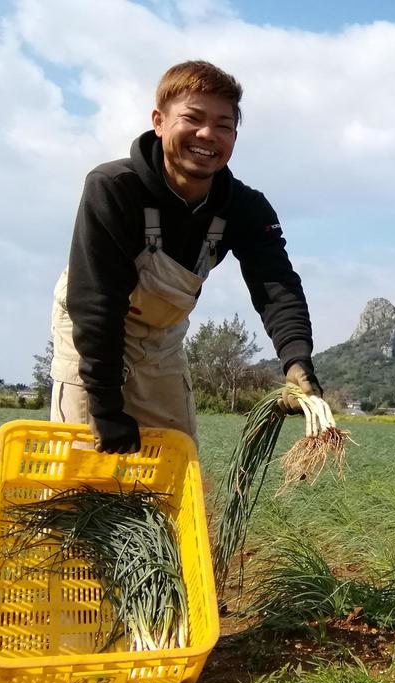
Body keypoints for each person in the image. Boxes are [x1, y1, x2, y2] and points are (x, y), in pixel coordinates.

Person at [50, 60, 323, 454]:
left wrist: (297, 360)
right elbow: (96, 304)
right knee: (85, 463)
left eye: (223, 125)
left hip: (161, 340)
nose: (207, 134)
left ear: (234, 136)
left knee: (175, 458)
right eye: (192, 118)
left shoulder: (245, 208)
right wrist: (106, 409)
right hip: (90, 335)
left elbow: (277, 286)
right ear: (159, 122)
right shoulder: (113, 188)